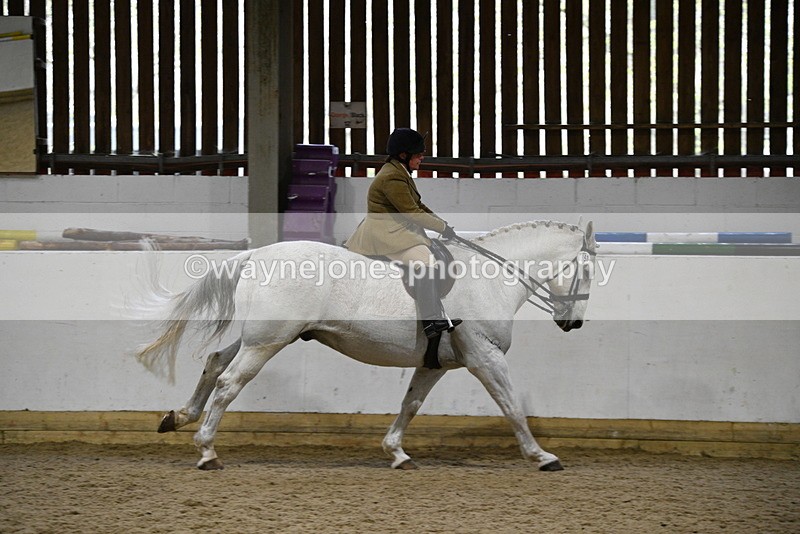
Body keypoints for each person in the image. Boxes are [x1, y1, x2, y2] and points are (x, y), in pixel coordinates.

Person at [345, 127, 462, 339]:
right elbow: (412, 213)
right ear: (403, 155)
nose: (421, 158)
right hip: (385, 233)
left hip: (395, 229)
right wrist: (441, 228)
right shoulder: (392, 177)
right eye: (418, 155)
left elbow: (419, 205)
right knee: (425, 261)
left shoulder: (399, 171)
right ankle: (430, 320)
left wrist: (443, 225)